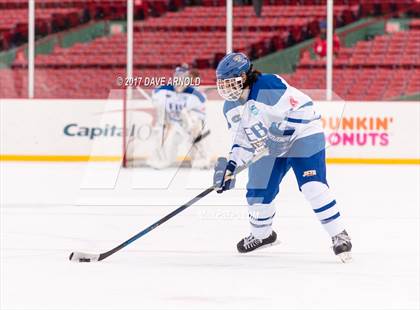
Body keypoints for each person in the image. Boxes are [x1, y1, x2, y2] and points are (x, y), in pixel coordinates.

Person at [213, 52, 352, 262]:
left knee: (312, 185)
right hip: (270, 147)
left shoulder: (268, 84)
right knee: (258, 194)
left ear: (245, 77)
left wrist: (282, 134)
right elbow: (242, 141)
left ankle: (338, 233)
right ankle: (263, 236)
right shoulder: (230, 107)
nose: (226, 89)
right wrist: (231, 167)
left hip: (303, 135)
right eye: (222, 84)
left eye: (230, 83)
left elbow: (304, 109)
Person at [146, 65, 211, 169]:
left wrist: (193, 123)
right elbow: (158, 104)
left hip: (189, 124)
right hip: (173, 124)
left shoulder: (196, 94)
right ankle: (159, 159)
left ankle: (201, 160)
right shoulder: (162, 91)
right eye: (178, 78)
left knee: (197, 132)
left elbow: (200, 114)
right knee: (162, 134)